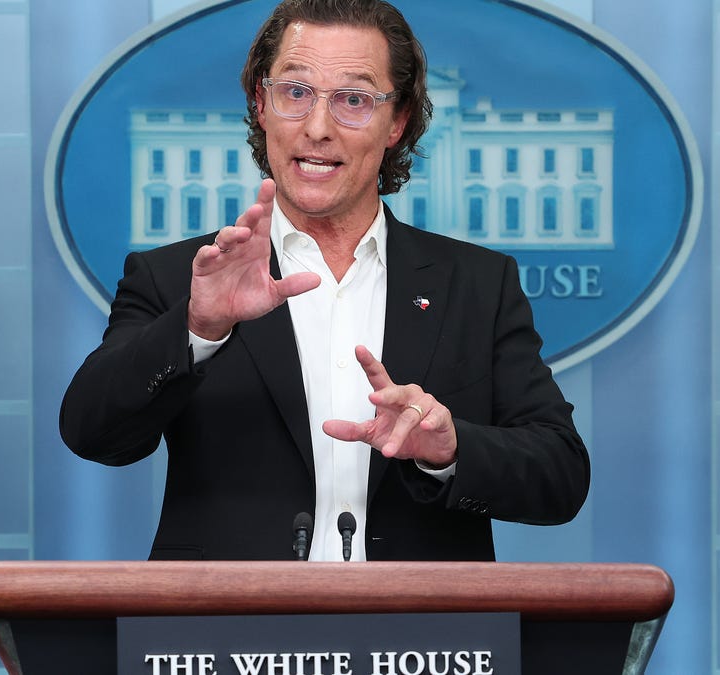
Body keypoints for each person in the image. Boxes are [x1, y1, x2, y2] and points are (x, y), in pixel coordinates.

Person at [60, 0, 589, 562]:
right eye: (295, 92)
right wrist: (198, 328)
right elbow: (92, 434)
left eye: (353, 100)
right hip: (222, 638)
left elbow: (560, 475)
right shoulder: (178, 279)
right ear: (261, 106)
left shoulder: (478, 284)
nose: (317, 128)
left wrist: (449, 447)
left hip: (423, 642)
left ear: (399, 122)